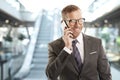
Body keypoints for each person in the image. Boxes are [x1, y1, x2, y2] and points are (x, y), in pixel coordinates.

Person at [46, 4, 112, 80]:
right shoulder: (54, 46)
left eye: (80, 20)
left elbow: (106, 75)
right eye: (73, 21)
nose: (77, 25)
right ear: (64, 23)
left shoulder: (96, 43)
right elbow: (51, 75)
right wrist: (67, 48)